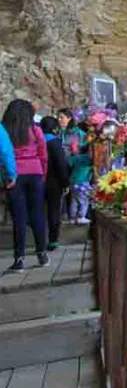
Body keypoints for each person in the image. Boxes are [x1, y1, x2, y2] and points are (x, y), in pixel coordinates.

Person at [3, 99, 49, 272]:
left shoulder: (6, 131)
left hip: (14, 175)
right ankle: (42, 253)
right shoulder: (35, 129)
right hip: (35, 173)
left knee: (19, 217)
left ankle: (19, 258)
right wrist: (42, 173)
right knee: (37, 213)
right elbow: (43, 153)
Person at [40, 116, 70, 250]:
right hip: (53, 182)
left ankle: (39, 241)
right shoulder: (55, 143)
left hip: (37, 180)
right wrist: (65, 183)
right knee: (53, 210)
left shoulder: (36, 141)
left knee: (38, 211)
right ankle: (52, 240)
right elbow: (61, 165)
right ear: (54, 128)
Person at [68, 141, 93, 225]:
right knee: (84, 200)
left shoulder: (79, 157)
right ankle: (81, 217)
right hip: (81, 183)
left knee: (74, 200)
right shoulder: (91, 160)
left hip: (72, 182)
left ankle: (72, 218)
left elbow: (68, 161)